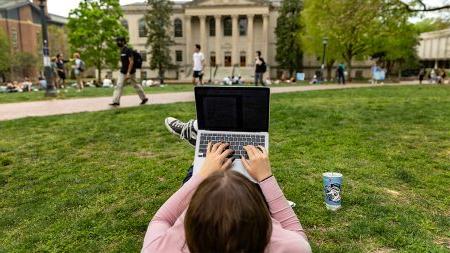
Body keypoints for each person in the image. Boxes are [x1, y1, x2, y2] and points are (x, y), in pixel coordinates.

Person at [142, 118, 312, 253]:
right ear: (264, 222)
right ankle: (214, 139)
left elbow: (161, 219)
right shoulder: (288, 248)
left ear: (189, 224)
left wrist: (202, 174)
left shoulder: (158, 249)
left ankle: (200, 134)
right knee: (228, 167)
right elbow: (297, 235)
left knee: (206, 165)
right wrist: (265, 177)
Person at [110, 37, 148, 106]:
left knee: (135, 85)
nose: (118, 43)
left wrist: (128, 73)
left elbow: (131, 62)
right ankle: (116, 101)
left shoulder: (128, 50)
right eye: (117, 41)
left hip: (130, 72)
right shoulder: (121, 51)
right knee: (119, 85)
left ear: (124, 42)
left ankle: (144, 98)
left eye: (119, 41)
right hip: (122, 72)